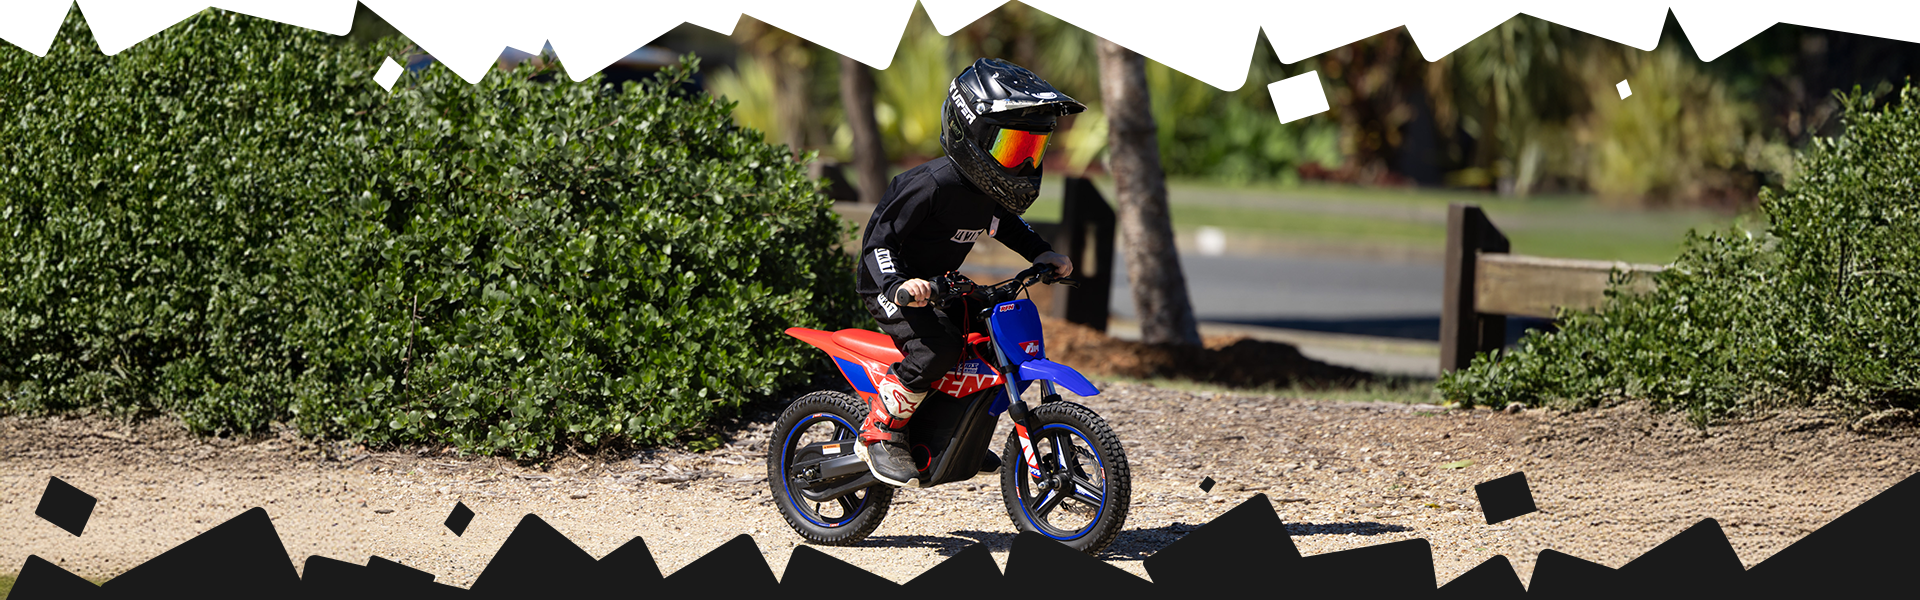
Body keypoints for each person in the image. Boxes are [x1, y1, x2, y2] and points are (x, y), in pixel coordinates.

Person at [853, 58, 1084, 487]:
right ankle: (881, 429)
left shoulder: (982, 193)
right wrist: (899, 284)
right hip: (891, 286)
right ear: (971, 134)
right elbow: (878, 244)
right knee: (936, 350)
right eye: (1014, 149)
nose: (1024, 162)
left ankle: (949, 436)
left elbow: (1005, 225)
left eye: (1032, 150)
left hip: (941, 287)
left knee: (982, 343)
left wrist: (1043, 253)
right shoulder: (930, 185)